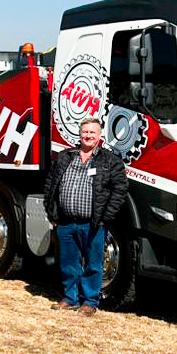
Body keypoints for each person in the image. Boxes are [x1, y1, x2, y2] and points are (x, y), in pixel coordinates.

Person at [43, 117, 128, 316]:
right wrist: (52, 212)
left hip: (93, 224)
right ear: (80, 135)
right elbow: (50, 185)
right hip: (66, 222)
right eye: (85, 132)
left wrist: (106, 217)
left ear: (99, 136)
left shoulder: (110, 161)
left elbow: (120, 190)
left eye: (92, 132)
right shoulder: (65, 156)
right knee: (68, 263)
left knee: (93, 264)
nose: (88, 136)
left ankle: (90, 302)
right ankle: (71, 299)